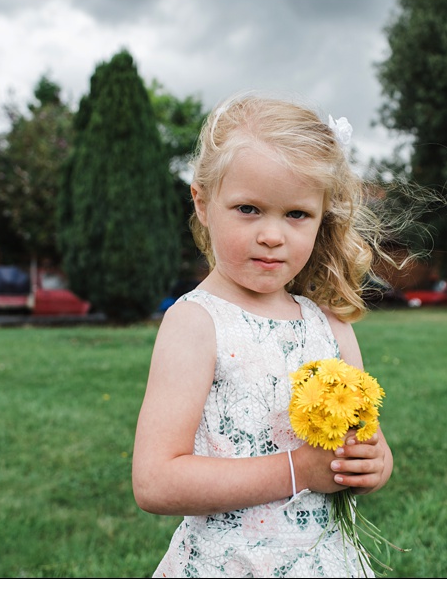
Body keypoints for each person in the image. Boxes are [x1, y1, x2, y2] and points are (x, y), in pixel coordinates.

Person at [132, 96, 395, 576]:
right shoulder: (196, 323)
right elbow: (155, 481)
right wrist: (299, 470)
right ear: (203, 203)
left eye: (297, 214)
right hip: (231, 566)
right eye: (249, 209)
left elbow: (367, 439)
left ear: (322, 217)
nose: (272, 235)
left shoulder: (330, 324)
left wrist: (373, 463)